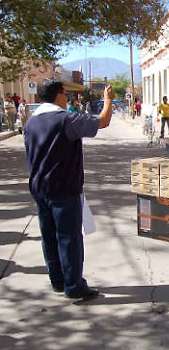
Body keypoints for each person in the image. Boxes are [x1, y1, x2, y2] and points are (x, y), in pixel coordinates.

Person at [24, 81, 114, 299]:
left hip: (40, 188)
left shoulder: (31, 123)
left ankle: (57, 280)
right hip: (64, 189)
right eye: (65, 94)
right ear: (58, 96)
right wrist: (108, 99)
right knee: (69, 238)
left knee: (49, 237)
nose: (67, 99)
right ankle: (74, 286)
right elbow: (102, 121)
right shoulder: (65, 119)